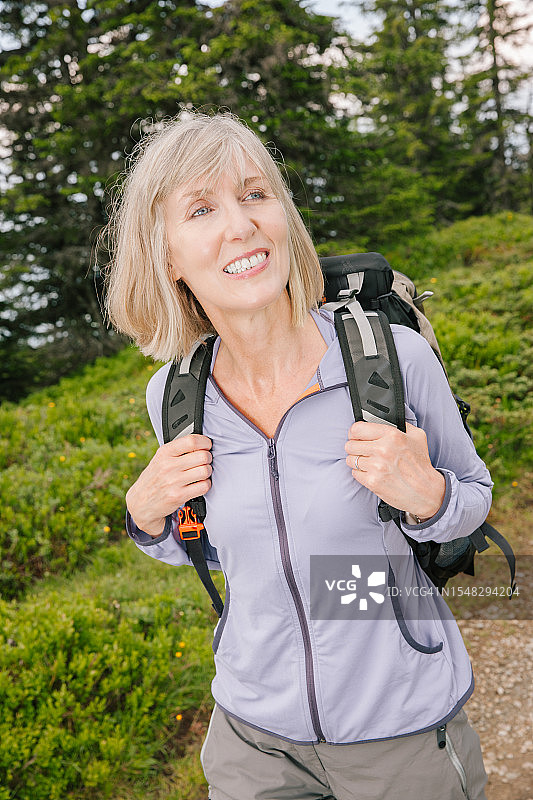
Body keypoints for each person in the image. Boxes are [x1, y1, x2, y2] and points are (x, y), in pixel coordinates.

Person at [104, 111, 490, 800]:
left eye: (256, 195)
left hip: (398, 734)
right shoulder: (173, 393)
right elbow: (234, 555)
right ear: (166, 256)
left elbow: (469, 502)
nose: (241, 224)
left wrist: (428, 497)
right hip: (252, 743)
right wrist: (148, 518)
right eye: (202, 208)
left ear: (283, 215)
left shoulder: (389, 362)